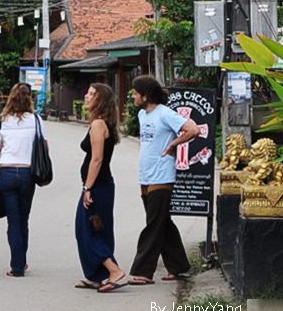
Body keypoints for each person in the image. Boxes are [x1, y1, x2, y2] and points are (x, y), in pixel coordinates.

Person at [127, 75, 200, 285]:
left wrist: (173, 144)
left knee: (153, 225)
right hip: (146, 175)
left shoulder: (165, 113)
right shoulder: (142, 115)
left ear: (146, 95)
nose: (133, 96)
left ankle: (143, 271)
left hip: (162, 175)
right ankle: (179, 267)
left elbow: (193, 129)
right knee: (163, 223)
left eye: (135, 93)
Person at [0, 82, 47, 278]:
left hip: (7, 173)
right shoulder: (36, 120)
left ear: (10, 98)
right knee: (23, 220)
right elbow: (44, 147)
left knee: (13, 221)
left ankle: (16, 266)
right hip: (28, 174)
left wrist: (4, 144)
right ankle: (22, 261)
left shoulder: (1, 121)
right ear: (30, 98)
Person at [74, 83, 128, 293]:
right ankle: (97, 276)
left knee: (87, 229)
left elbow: (97, 159)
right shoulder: (102, 123)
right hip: (100, 185)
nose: (86, 96)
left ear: (101, 99)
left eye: (91, 93)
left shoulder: (98, 124)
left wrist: (88, 188)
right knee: (96, 228)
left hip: (98, 186)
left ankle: (114, 271)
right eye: (87, 92)